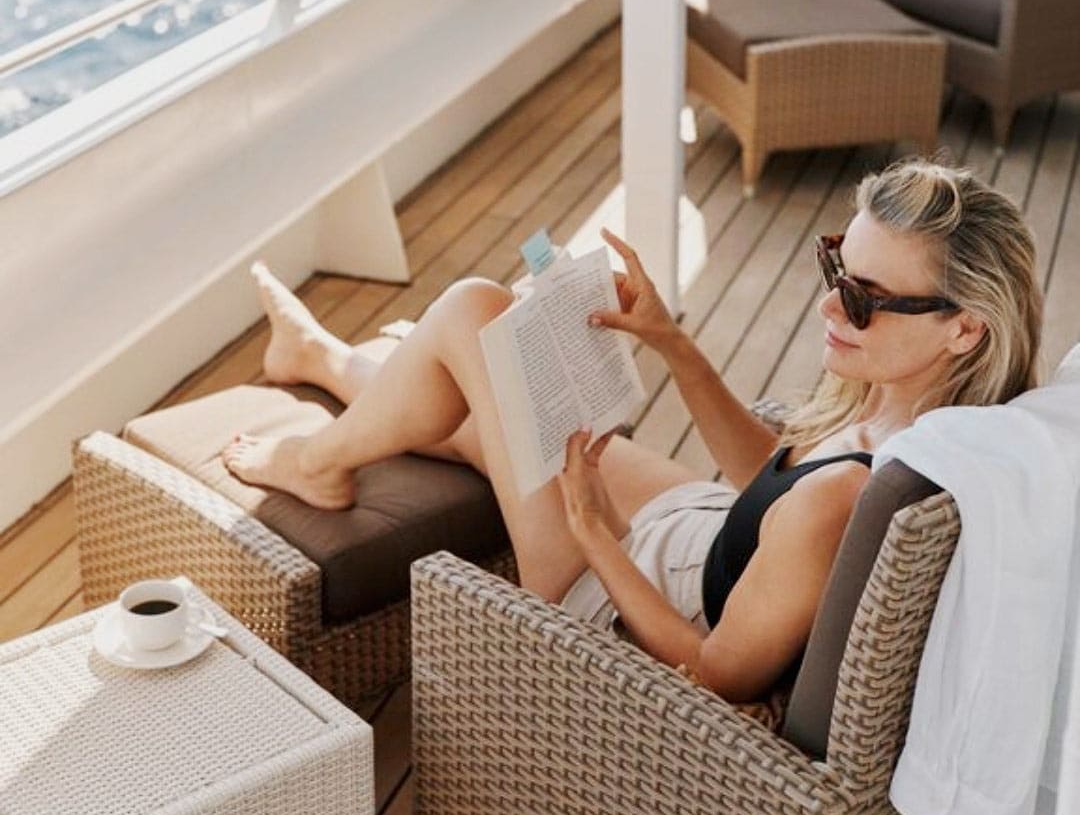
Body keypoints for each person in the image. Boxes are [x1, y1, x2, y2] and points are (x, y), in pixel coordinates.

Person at [223, 158, 1041, 704]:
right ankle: (332, 362)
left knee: (475, 313)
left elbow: (716, 672)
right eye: (835, 267)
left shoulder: (844, 500)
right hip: (711, 532)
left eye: (863, 296)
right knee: (491, 401)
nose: (830, 305)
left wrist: (591, 530)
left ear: (963, 329)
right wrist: (670, 340)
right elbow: (776, 477)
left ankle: (316, 458)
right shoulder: (931, 419)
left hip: (623, 596)